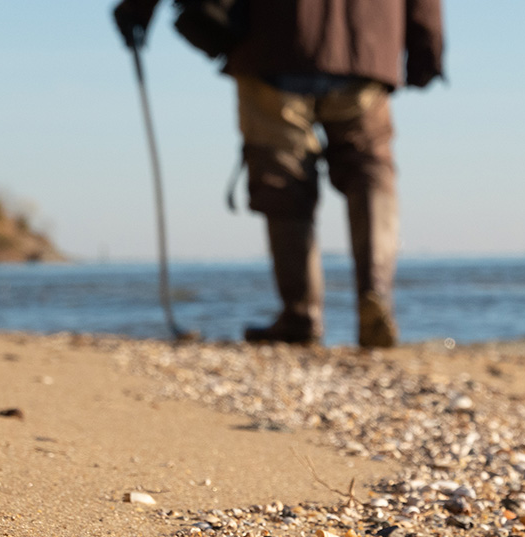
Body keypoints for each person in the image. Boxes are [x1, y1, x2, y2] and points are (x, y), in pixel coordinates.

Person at [113, 0, 444, 348]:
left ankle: (301, 314)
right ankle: (374, 294)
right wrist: (427, 50)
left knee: (282, 179)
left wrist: (138, 9)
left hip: (272, 42)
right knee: (369, 169)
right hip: (366, 44)